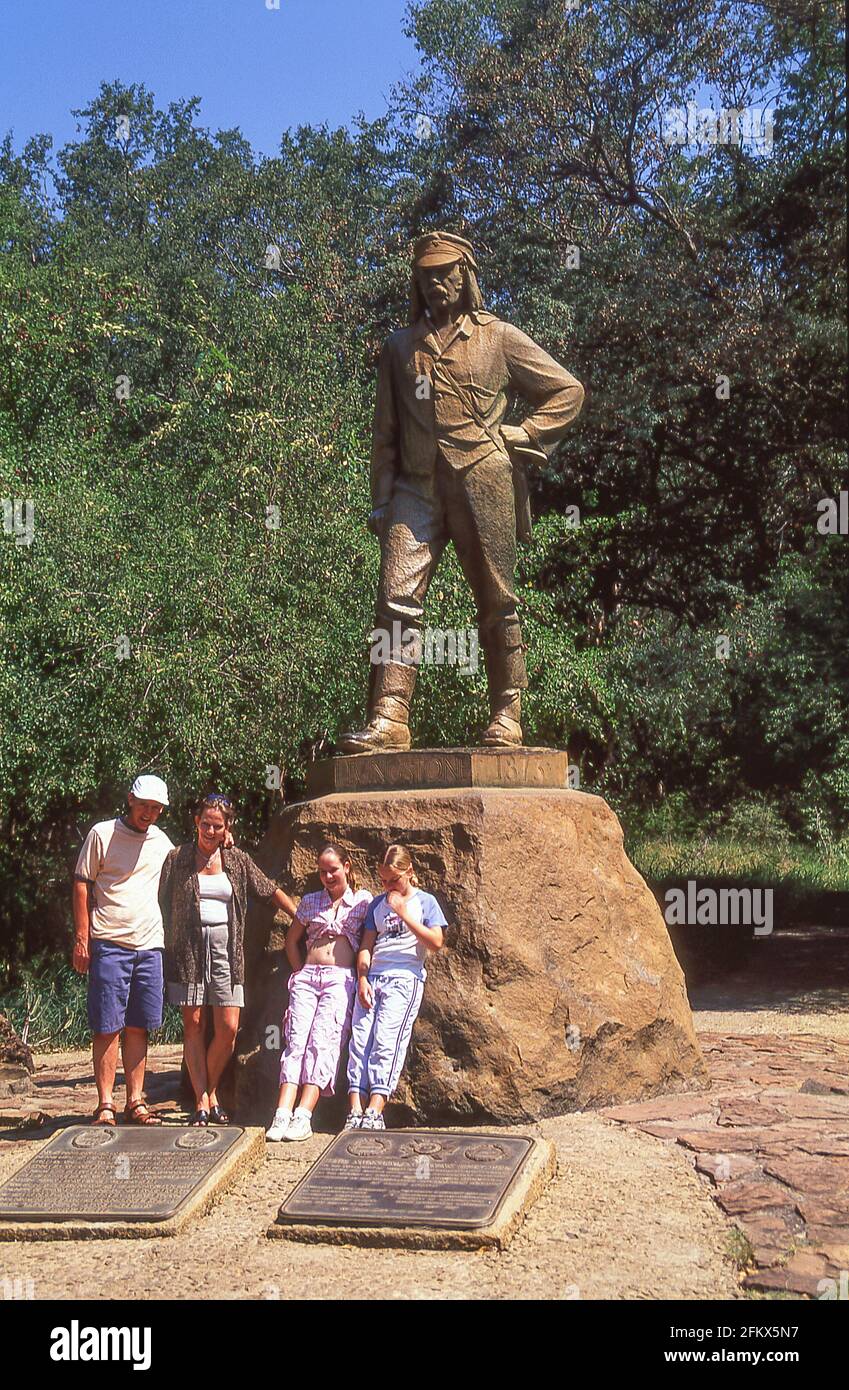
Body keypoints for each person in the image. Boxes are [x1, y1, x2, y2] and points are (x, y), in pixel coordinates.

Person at [341, 230, 584, 753]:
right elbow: (385, 434)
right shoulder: (400, 347)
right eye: (425, 274)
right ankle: (390, 717)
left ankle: (508, 713)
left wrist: (525, 432)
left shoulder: (498, 336)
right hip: (416, 487)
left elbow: (568, 390)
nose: (434, 282)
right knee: (395, 598)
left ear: (465, 274)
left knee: (497, 599)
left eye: (444, 271)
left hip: (483, 475)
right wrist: (381, 499)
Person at [158, 793, 298, 1126]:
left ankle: (209, 1090)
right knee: (193, 1026)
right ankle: (205, 1100)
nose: (209, 830)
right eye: (205, 823)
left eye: (216, 825)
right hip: (188, 951)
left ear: (227, 828)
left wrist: (300, 914)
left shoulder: (237, 860)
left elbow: (267, 889)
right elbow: (159, 901)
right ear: (196, 822)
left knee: (228, 1029)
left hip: (226, 950)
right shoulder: (177, 859)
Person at [73, 774, 174, 1126]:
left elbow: (191, 866)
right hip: (109, 942)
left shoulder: (162, 842)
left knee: (138, 1026)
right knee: (107, 1026)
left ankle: (135, 1100)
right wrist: (82, 938)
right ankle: (104, 1104)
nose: (149, 813)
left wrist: (224, 840)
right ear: (130, 799)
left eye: (156, 808)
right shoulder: (102, 834)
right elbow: (82, 883)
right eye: (144, 805)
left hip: (149, 944)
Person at [267, 845, 372, 1142]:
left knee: (323, 1042)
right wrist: (299, 971)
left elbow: (372, 937)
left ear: (347, 867)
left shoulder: (362, 901)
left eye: (333, 870)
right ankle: (282, 1112)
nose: (327, 876)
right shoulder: (311, 902)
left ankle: (304, 1114)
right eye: (322, 871)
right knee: (295, 1040)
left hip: (339, 978)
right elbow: (292, 942)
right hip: (308, 977)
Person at [346, 844, 446, 1130]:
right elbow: (366, 946)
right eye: (384, 881)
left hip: (404, 977)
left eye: (394, 880)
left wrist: (403, 913)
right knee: (361, 1039)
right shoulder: (377, 905)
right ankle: (355, 1107)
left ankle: (375, 1108)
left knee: (387, 1040)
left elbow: (436, 942)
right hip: (374, 977)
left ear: (409, 872)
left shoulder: (424, 902)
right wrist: (362, 978)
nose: (389, 886)